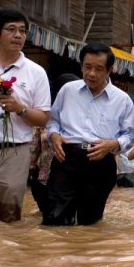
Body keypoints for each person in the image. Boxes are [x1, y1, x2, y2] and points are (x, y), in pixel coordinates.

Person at [44, 43, 134, 226]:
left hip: (100, 160)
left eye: (99, 69)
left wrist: (113, 144)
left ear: (109, 70)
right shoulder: (67, 90)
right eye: (87, 67)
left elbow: (130, 135)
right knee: (55, 219)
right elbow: (53, 120)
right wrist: (54, 135)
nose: (92, 73)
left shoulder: (122, 100)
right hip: (66, 158)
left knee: (90, 223)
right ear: (81, 66)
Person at [0, 8, 51, 222]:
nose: (18, 35)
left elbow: (44, 117)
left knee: (8, 215)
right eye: (11, 29)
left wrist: (20, 108)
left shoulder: (35, 72)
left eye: (22, 31)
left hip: (15, 152)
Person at [28, 73, 80, 213]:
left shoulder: (82, 119)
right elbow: (33, 150)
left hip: (73, 181)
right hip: (44, 180)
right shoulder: (44, 117)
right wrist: (29, 171)